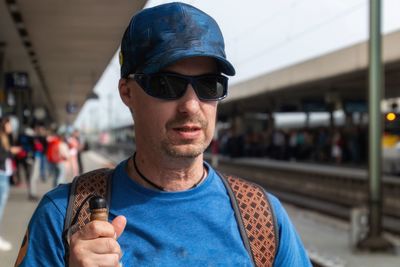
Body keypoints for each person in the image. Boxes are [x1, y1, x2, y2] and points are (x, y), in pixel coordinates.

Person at [15, 3, 312, 266]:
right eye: (167, 85)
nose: (191, 105)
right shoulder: (63, 217)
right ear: (127, 92)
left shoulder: (262, 219)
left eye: (209, 85)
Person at [0, 117, 20, 251]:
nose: (12, 127)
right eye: (10, 124)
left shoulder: (6, 138)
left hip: (4, 175)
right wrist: (10, 151)